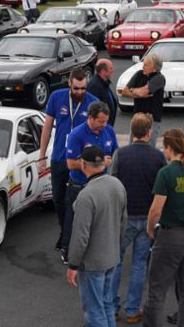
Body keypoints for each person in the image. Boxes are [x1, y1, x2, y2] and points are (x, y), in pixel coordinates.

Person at [143, 129, 184, 327]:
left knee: (157, 290)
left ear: (169, 148)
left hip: (170, 236)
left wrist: (149, 228)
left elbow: (156, 209)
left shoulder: (166, 173)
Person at [109, 113, 164, 324]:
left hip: (124, 217)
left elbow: (113, 184)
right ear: (149, 132)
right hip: (147, 216)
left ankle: (112, 307)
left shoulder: (120, 154)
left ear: (132, 131)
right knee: (140, 264)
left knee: (116, 262)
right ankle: (133, 310)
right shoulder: (158, 157)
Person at [39, 70, 99, 262]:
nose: (80, 92)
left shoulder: (93, 102)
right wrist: (42, 157)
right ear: (69, 84)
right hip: (59, 158)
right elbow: (47, 127)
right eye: (76, 88)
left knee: (74, 202)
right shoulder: (57, 97)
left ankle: (69, 238)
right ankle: (65, 231)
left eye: (83, 88)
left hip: (81, 162)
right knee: (58, 199)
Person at [67, 145, 127, 327]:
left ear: (84, 164)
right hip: (112, 257)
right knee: (106, 303)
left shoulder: (86, 195)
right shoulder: (117, 185)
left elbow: (80, 235)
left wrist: (73, 264)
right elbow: (123, 222)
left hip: (93, 263)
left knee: (94, 310)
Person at [63, 102, 119, 264]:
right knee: (75, 220)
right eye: (101, 121)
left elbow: (116, 152)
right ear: (90, 118)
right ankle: (68, 252)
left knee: (99, 221)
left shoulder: (109, 131)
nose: (104, 124)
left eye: (106, 121)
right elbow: (70, 163)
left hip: (102, 185)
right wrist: (99, 164)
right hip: (80, 185)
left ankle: (93, 251)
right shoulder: (76, 135)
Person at [120, 53, 166, 141]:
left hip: (152, 120)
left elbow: (142, 92)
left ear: (154, 68)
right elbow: (124, 91)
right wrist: (136, 93)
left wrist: (133, 89)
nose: (143, 67)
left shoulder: (159, 78)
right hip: (137, 119)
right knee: (132, 146)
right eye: (143, 64)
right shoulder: (139, 74)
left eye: (146, 65)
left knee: (149, 149)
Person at [87, 59, 117, 127]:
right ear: (103, 71)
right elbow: (93, 110)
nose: (113, 71)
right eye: (111, 68)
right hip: (101, 127)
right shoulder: (94, 86)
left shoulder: (104, 83)